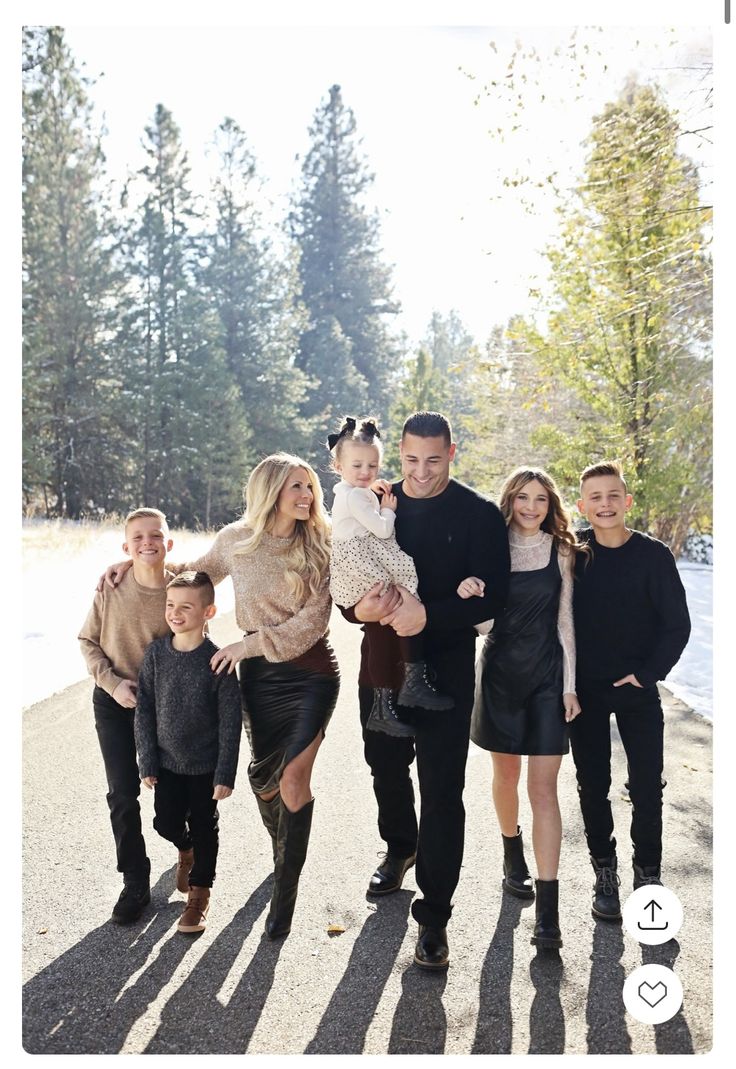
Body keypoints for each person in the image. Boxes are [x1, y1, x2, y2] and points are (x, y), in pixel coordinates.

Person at [102, 454, 339, 939]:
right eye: (297, 487)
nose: (307, 497)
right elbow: (188, 575)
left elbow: (313, 621)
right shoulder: (237, 541)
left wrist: (244, 644)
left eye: (309, 488)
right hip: (259, 680)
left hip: (311, 672)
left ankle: (284, 895)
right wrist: (133, 562)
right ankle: (283, 846)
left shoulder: (318, 543)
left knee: (294, 780)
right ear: (270, 491)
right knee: (264, 781)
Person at [342, 411, 510, 970]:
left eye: (433, 460)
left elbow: (492, 598)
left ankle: (434, 915)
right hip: (382, 663)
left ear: (452, 453)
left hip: (448, 668)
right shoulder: (377, 501)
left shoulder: (479, 514)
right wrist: (354, 609)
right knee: (385, 766)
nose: (420, 472)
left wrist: (427, 616)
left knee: (441, 790)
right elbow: (346, 568)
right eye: (411, 459)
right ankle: (400, 846)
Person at [467, 467, 584, 950]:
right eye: (523, 498)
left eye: (540, 499)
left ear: (550, 504)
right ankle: (510, 849)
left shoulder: (561, 552)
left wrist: (570, 687)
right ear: (510, 501)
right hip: (499, 676)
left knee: (544, 790)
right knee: (506, 777)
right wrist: (472, 595)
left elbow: (566, 621)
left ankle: (549, 917)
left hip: (547, 680)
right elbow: (483, 626)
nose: (532, 507)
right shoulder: (490, 547)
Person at [570, 460, 690, 921]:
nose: (605, 504)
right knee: (592, 784)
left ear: (627, 501)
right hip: (585, 691)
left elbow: (676, 625)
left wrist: (647, 674)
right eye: (595, 498)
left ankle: (648, 874)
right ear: (583, 505)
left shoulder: (653, 556)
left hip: (636, 689)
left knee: (645, 785)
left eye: (612, 495)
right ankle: (605, 872)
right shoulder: (572, 553)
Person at [327, 415, 454, 734]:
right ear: (338, 466)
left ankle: (402, 689)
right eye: (357, 466)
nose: (366, 473)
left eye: (372, 466)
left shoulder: (353, 492)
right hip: (363, 564)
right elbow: (383, 529)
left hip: (362, 561)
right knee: (395, 615)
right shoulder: (354, 495)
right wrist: (388, 509)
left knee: (391, 622)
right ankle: (390, 700)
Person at [79, 507, 175, 924]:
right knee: (122, 793)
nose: (147, 542)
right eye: (137, 537)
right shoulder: (110, 588)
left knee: (173, 794)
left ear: (168, 543)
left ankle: (185, 842)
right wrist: (113, 684)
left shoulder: (181, 588)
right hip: (114, 700)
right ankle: (135, 880)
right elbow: (87, 641)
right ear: (126, 546)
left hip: (166, 706)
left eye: (155, 535)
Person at [135, 571, 242, 933]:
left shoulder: (218, 661)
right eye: (170, 605)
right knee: (164, 822)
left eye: (185, 607)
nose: (175, 613)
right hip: (166, 763)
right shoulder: (155, 655)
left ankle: (199, 895)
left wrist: (225, 773)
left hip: (204, 766)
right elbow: (144, 710)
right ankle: (185, 849)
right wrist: (147, 760)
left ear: (208, 612)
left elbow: (230, 723)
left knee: (204, 826)